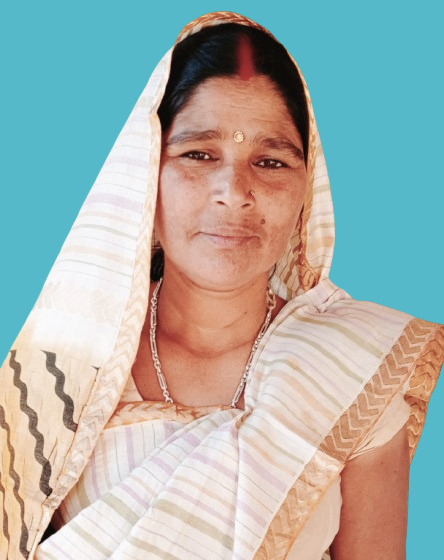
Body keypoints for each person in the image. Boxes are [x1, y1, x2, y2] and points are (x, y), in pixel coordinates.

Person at [1, 11, 443, 560]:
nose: (234, 191)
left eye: (270, 161)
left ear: (305, 191)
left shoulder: (352, 370)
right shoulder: (61, 370)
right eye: (198, 154)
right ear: (143, 175)